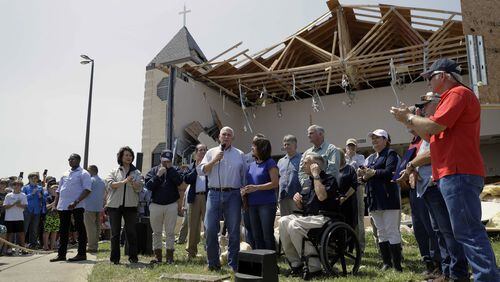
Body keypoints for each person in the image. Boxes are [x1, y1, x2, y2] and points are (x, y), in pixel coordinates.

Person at [391, 58, 499, 281]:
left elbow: (434, 126)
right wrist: (408, 122)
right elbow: (431, 136)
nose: (428, 82)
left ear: (444, 76)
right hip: (454, 173)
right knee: (464, 231)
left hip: (457, 172)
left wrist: (409, 117)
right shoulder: (454, 97)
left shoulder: (457, 94)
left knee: (467, 232)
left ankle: (486, 277)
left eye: (430, 77)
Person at [396, 92, 469, 281]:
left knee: (447, 231)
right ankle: (447, 271)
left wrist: (411, 165)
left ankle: (457, 272)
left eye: (426, 104)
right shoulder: (427, 133)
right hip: (428, 187)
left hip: (435, 185)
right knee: (439, 231)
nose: (422, 108)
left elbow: (433, 154)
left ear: (437, 104)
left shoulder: (438, 129)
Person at [279, 152, 342, 280]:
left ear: (315, 165)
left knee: (294, 224)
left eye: (306, 162)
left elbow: (322, 197)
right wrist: (299, 202)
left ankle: (314, 266)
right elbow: (305, 207)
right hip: (308, 217)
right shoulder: (307, 183)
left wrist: (316, 176)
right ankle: (296, 264)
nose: (302, 164)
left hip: (324, 218)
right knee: (283, 220)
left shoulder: (329, 179)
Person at [197, 126, 246, 271]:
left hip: (234, 194)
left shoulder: (240, 154)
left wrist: (244, 194)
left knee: (234, 231)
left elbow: (243, 175)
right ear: (219, 137)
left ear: (233, 138)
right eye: (224, 134)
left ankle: (233, 264)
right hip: (214, 194)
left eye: (229, 135)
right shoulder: (211, 152)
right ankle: (213, 263)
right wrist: (213, 161)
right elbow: (200, 170)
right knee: (211, 228)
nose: (226, 137)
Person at [358, 129, 402, 271]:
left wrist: (373, 172)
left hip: (388, 198)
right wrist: (364, 175)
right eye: (373, 138)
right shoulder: (372, 158)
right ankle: (386, 263)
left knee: (391, 230)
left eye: (378, 138)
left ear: (386, 140)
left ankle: (397, 265)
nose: (374, 140)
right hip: (374, 198)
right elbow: (368, 176)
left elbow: (390, 172)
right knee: (381, 232)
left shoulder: (391, 153)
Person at [49, 154, 91, 262]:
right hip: (63, 206)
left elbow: (87, 190)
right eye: (69, 159)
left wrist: (76, 201)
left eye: (72, 159)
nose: (70, 161)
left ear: (78, 160)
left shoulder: (84, 173)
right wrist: (55, 205)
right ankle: (61, 254)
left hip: (77, 205)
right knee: (63, 230)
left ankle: (81, 254)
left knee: (79, 228)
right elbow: (58, 191)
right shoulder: (65, 174)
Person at [105, 147, 144, 264]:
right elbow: (111, 185)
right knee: (115, 234)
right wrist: (124, 181)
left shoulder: (137, 172)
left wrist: (132, 182)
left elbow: (139, 188)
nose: (129, 157)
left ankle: (133, 257)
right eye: (126, 155)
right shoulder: (114, 171)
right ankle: (114, 259)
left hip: (130, 206)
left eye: (130, 155)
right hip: (114, 206)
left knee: (131, 232)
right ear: (121, 157)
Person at [145, 149, 183, 264]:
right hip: (156, 204)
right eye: (164, 160)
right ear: (160, 159)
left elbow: (179, 181)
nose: (166, 162)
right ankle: (158, 256)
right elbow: (148, 186)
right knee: (156, 232)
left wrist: (170, 169)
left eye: (169, 160)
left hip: (171, 204)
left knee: (170, 232)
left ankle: (170, 257)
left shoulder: (174, 169)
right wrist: (157, 176)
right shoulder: (153, 170)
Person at [241, 137, 279, 251]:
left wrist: (256, 188)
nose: (252, 148)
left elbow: (275, 183)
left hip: (266, 204)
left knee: (267, 233)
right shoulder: (251, 165)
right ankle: (259, 259)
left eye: (254, 146)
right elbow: (250, 183)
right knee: (256, 234)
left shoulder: (270, 163)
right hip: (252, 204)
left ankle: (271, 259)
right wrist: (245, 190)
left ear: (261, 149)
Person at [183, 144, 208, 259]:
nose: (202, 152)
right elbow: (187, 179)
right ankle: (191, 252)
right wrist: (197, 170)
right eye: (200, 150)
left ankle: (210, 251)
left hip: (208, 198)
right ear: (196, 153)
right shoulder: (191, 166)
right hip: (194, 198)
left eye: (204, 150)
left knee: (209, 225)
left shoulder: (210, 165)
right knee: (193, 226)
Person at [299, 125, 341, 190]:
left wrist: (320, 185)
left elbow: (333, 170)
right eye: (308, 134)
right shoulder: (306, 153)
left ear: (320, 134)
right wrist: (306, 185)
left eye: (311, 133)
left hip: (325, 190)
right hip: (310, 191)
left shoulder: (331, 149)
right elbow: (302, 172)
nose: (308, 136)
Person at [344, 138, 366, 253]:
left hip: (357, 188)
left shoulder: (360, 158)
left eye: (353, 146)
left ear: (356, 147)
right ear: (346, 147)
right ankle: (348, 246)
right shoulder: (342, 158)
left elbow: (362, 171)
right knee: (347, 217)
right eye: (349, 146)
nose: (351, 148)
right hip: (345, 189)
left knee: (359, 217)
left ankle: (360, 246)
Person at [277, 135, 302, 217]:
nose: (286, 146)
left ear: (295, 145)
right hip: (283, 198)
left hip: (296, 198)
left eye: (288, 144)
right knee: (284, 222)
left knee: (296, 221)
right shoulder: (280, 161)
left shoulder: (301, 159)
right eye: (285, 144)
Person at [84, 165, 106, 253]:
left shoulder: (90, 180)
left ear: (90, 171)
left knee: (90, 227)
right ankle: (95, 245)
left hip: (89, 206)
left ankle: (91, 246)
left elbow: (86, 191)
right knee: (97, 227)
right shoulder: (102, 181)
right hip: (99, 206)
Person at [3, 180, 27, 254]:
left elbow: (25, 206)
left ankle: (23, 248)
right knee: (9, 234)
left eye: (19, 185)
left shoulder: (23, 195)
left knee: (21, 233)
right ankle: (9, 249)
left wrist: (19, 204)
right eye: (15, 185)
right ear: (12, 186)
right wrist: (14, 204)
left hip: (19, 217)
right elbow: (5, 206)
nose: (17, 186)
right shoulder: (8, 195)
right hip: (9, 218)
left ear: (21, 187)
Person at [22, 172, 45, 248]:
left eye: (36, 178)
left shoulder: (40, 187)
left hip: (37, 210)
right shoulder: (25, 188)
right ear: (29, 178)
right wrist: (32, 194)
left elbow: (43, 199)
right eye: (33, 178)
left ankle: (33, 244)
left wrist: (41, 196)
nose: (35, 180)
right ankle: (21, 244)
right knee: (25, 228)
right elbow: (23, 198)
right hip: (27, 210)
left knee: (34, 228)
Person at [337, 150, 358, 230]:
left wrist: (344, 197)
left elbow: (354, 185)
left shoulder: (350, 169)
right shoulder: (332, 170)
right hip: (337, 203)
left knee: (350, 226)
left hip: (349, 203)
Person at [43, 184, 60, 251]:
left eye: (56, 189)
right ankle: (46, 246)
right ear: (50, 190)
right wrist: (54, 202)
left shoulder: (60, 198)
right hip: (49, 216)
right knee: (47, 231)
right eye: (54, 189)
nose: (55, 190)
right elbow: (47, 207)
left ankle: (52, 247)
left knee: (54, 232)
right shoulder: (48, 198)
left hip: (57, 216)